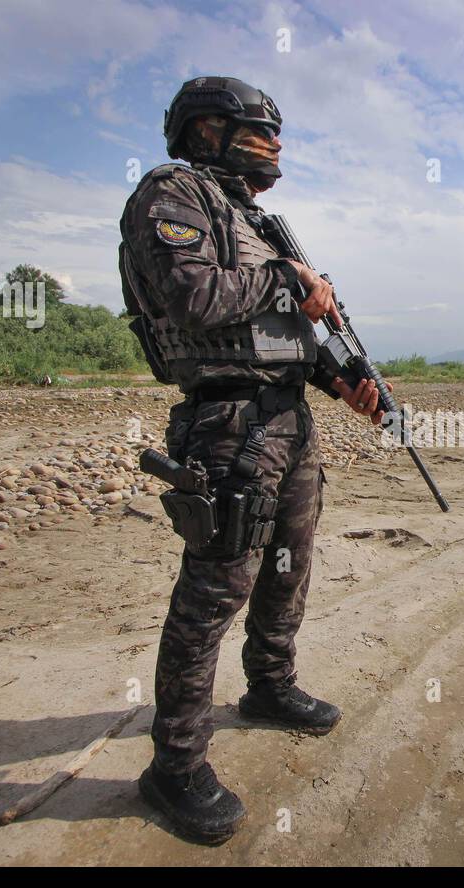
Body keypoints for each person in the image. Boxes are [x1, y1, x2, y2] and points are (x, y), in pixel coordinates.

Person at [118, 76, 385, 845]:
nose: (274, 145)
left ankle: (270, 686)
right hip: (226, 420)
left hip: (287, 419)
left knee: (288, 567)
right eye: (255, 129)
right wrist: (288, 280)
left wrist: (348, 383)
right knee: (214, 590)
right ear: (204, 130)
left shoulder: (261, 222)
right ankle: (174, 764)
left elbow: (294, 339)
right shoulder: (172, 192)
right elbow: (190, 295)